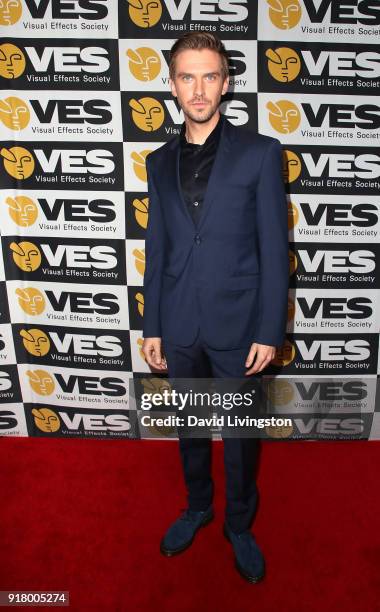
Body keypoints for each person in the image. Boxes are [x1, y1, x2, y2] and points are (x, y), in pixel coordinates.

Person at [142, 32, 289, 584]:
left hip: (240, 324)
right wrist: (152, 323)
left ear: (226, 82)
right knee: (192, 427)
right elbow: (159, 247)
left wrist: (269, 328)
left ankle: (240, 524)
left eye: (209, 76)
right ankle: (198, 505)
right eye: (187, 76)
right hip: (179, 322)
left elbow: (276, 249)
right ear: (173, 84)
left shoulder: (259, 152)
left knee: (241, 436)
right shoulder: (157, 162)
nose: (198, 89)